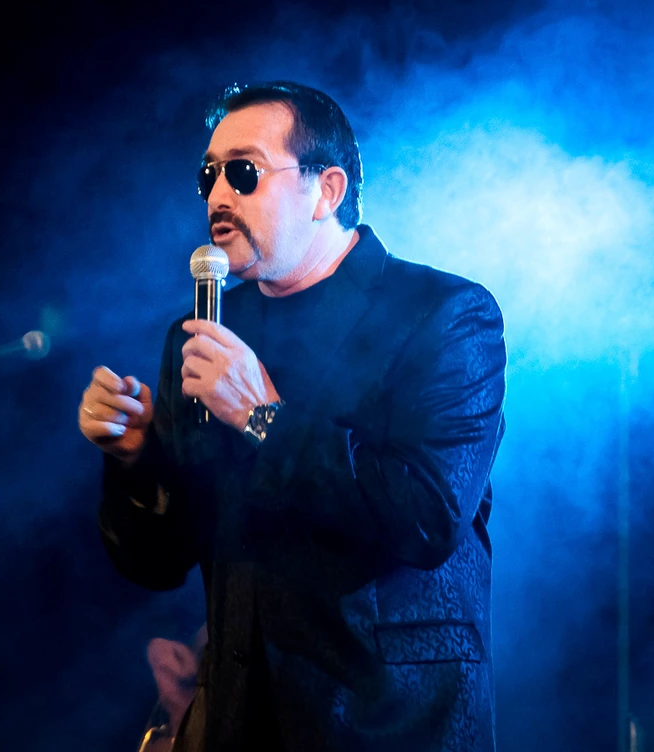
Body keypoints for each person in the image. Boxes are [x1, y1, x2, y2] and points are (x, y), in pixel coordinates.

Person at [78, 81, 507, 752]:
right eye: (209, 177)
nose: (219, 197)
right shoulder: (205, 331)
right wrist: (134, 460)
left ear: (326, 191)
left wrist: (262, 418)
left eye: (244, 173)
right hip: (239, 723)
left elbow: (426, 519)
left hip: (387, 724)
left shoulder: (443, 314)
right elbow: (160, 562)